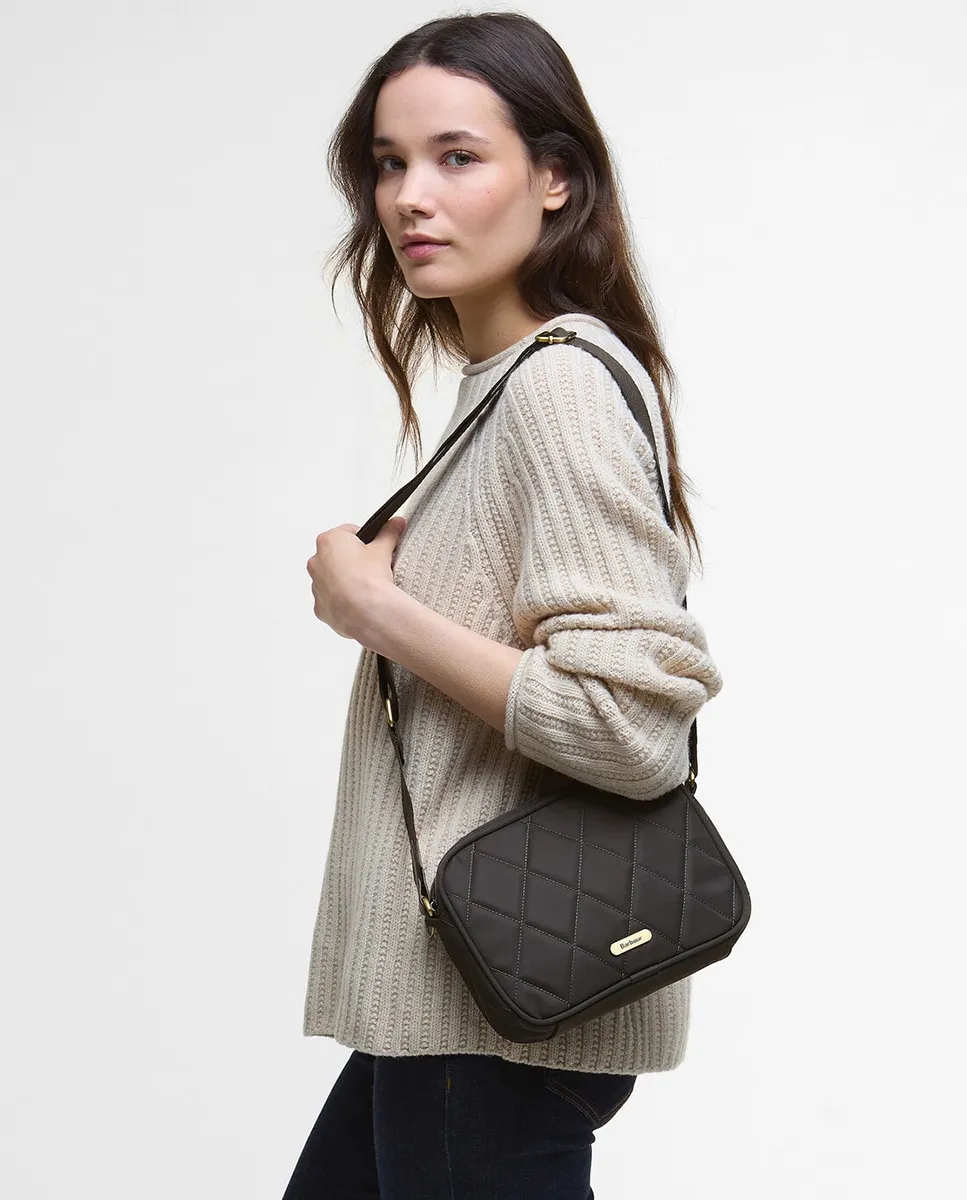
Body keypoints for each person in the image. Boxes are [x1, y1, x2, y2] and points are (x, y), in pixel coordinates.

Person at [285, 11, 724, 1199]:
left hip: (490, 1027)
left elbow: (629, 727)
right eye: (389, 162)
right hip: (454, 1003)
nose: (410, 197)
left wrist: (376, 612)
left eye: (457, 156)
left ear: (555, 178)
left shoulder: (556, 387)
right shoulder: (501, 389)